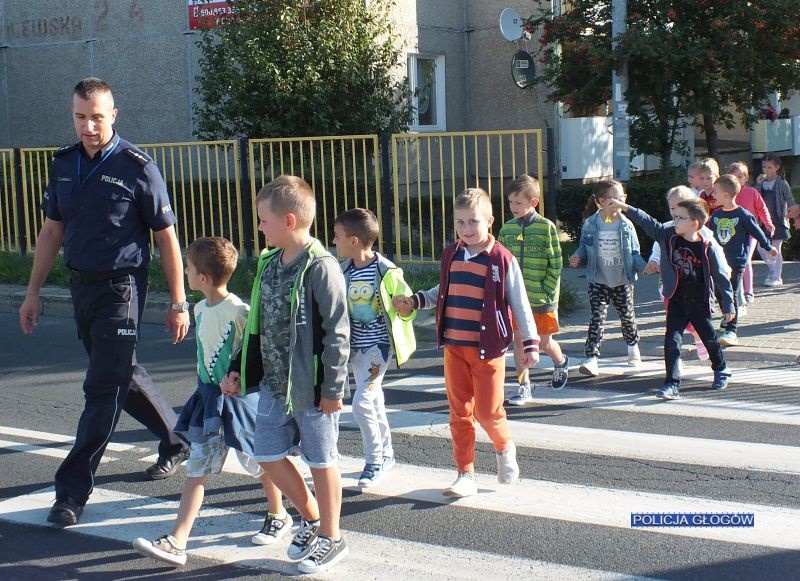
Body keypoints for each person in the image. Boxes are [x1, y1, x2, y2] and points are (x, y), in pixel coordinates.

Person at [18, 77, 189, 527]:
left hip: (122, 288)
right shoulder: (63, 164)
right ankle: (177, 437)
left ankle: (72, 490)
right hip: (81, 286)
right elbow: (52, 231)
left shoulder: (137, 166)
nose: (88, 126)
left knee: (101, 388)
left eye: (97, 117)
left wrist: (178, 301)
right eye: (80, 117)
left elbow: (166, 237)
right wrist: (33, 292)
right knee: (120, 375)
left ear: (114, 115)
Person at [133, 237, 287, 566]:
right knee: (197, 467)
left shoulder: (239, 311)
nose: (184, 272)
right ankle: (178, 539)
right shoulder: (200, 309)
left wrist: (240, 381)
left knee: (259, 461)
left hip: (239, 402)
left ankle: (281, 513)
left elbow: (254, 351)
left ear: (202, 277)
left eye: (188, 268)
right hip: (207, 399)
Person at [229, 175, 350, 574]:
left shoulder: (321, 266)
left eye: (263, 219)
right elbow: (257, 325)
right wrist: (238, 368)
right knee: (265, 453)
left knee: (321, 459)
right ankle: (313, 519)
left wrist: (332, 388)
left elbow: (337, 331)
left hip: (310, 387)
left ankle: (332, 537)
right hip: (273, 385)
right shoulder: (268, 262)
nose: (259, 226)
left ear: (290, 221)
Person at [394, 188, 540, 498]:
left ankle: (504, 447)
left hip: (488, 349)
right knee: (459, 414)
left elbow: (520, 303)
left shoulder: (501, 258)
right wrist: (417, 301)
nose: (466, 229)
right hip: (454, 346)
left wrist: (530, 343)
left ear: (490, 221)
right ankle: (465, 472)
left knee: (488, 413)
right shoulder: (452, 253)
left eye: (473, 221)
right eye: (460, 222)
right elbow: (443, 289)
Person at [607, 196, 735, 400]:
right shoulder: (668, 235)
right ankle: (672, 383)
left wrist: (728, 305)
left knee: (709, 338)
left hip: (698, 302)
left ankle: (721, 368)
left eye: (680, 218)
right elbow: (648, 222)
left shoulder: (707, 246)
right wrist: (625, 207)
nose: (674, 221)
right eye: (674, 217)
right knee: (672, 341)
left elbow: (721, 278)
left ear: (694, 223)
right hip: (676, 298)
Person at [333, 208, 416, 488]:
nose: (334, 242)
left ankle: (374, 460)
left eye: (337, 236)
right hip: (354, 349)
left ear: (354, 241)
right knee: (374, 399)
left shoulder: (386, 271)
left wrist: (405, 308)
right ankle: (388, 454)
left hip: (378, 348)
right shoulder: (341, 270)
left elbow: (407, 308)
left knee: (362, 402)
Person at [497, 174, 568, 405]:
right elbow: (499, 261)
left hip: (542, 298)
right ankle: (523, 385)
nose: (513, 207)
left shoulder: (546, 228)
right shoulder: (507, 229)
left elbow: (556, 262)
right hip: (516, 300)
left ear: (533, 202)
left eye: (518, 203)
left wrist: (547, 289)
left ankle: (560, 361)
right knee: (519, 342)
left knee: (544, 342)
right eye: (510, 202)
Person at [569, 180, 646, 377]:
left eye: (623, 197)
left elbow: (635, 252)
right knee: (597, 317)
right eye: (616, 197)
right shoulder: (591, 223)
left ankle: (632, 348)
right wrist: (578, 256)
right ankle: (592, 358)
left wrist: (645, 267)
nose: (621, 201)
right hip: (598, 279)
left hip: (622, 279)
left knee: (627, 316)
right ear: (601, 202)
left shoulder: (626, 225)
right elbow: (583, 246)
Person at [644, 186, 726, 361]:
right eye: (672, 208)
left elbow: (716, 251)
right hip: (670, 286)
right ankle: (688, 344)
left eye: (679, 208)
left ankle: (700, 338)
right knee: (675, 319)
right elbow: (657, 250)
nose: (675, 213)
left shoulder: (702, 232)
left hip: (694, 287)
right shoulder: (666, 229)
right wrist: (654, 261)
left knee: (696, 319)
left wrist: (725, 267)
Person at [709, 175, 778, 346]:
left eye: (716, 192)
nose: (713, 196)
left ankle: (731, 331)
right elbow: (708, 236)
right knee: (719, 292)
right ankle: (726, 318)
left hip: (736, 262)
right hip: (718, 262)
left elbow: (757, 232)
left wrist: (768, 247)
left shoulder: (742, 214)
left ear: (726, 194)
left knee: (731, 294)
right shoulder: (716, 215)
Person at [726, 162, 774, 306]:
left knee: (746, 261)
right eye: (733, 177)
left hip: (750, 233)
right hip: (731, 233)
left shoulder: (752, 192)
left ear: (745, 178)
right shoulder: (726, 194)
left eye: (740, 176)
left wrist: (768, 223)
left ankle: (748, 292)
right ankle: (733, 291)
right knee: (730, 262)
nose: (737, 180)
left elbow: (762, 208)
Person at [755, 153, 799, 287]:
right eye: (764, 167)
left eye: (769, 167)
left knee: (776, 248)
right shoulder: (762, 183)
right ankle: (773, 270)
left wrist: (796, 217)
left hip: (779, 220)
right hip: (765, 221)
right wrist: (758, 184)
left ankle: (776, 276)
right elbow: (755, 198)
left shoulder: (781, 183)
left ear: (777, 167)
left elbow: (791, 200)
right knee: (761, 247)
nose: (766, 170)